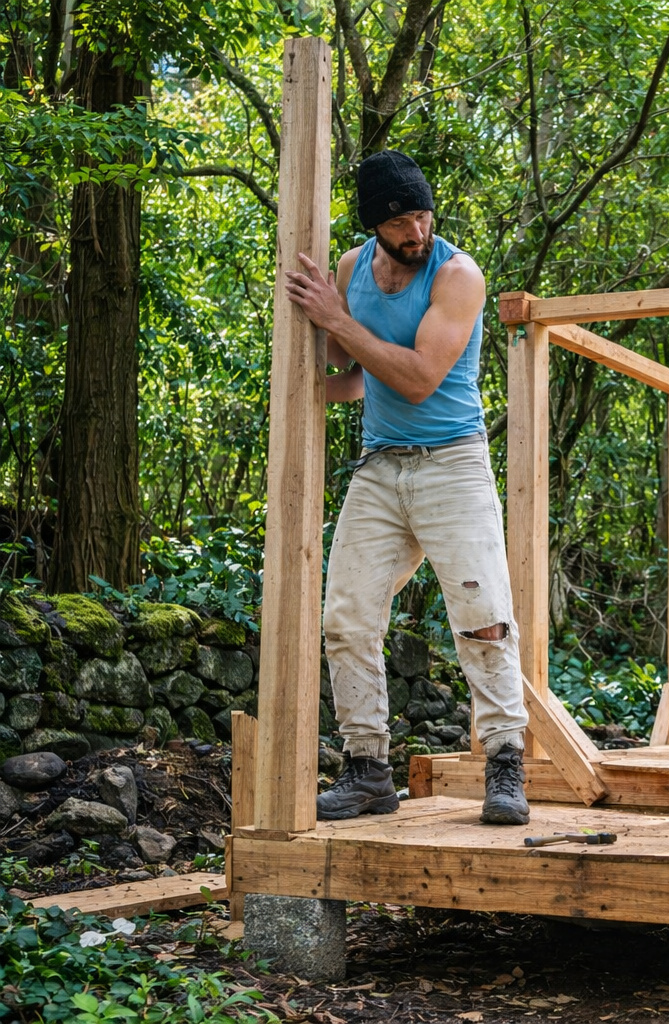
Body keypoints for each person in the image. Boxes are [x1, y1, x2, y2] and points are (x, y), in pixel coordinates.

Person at [283, 149, 529, 826]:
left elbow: (418, 376)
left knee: (483, 618)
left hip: (453, 462)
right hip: (380, 465)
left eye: (422, 215)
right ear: (375, 226)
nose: (416, 231)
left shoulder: (457, 274)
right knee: (347, 617)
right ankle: (367, 770)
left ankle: (506, 766)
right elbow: (354, 365)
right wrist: (302, 379)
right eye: (401, 223)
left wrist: (335, 321)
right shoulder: (351, 271)